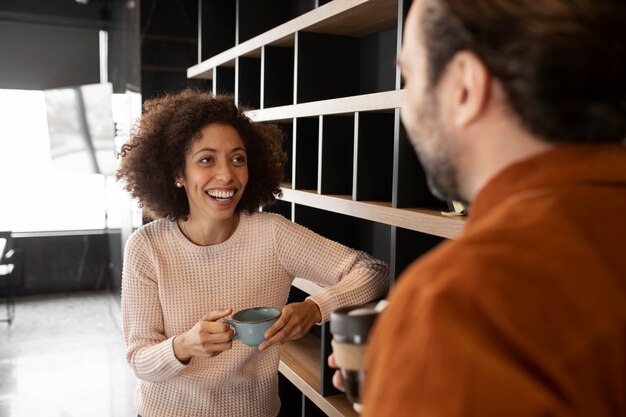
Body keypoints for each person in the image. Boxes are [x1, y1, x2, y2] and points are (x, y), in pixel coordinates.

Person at [331, 0, 626, 416]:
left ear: (465, 86)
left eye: (409, 75)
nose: (406, 104)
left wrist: (412, 367)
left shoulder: (456, 305)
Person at [115, 89, 389, 417]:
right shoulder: (147, 247)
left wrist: (315, 309)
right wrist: (185, 344)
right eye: (206, 159)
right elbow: (139, 360)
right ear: (177, 174)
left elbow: (374, 272)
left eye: (237, 158)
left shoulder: (272, 234)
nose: (227, 175)